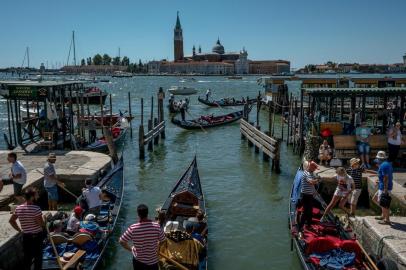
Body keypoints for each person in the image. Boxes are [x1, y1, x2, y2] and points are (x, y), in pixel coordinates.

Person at [119, 204, 166, 270]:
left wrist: (131, 249)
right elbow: (163, 240)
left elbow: (121, 241)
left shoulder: (133, 228)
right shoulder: (157, 226)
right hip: (153, 261)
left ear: (138, 214)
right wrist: (157, 247)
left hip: (138, 262)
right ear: (147, 213)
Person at [9, 188, 44, 270]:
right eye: (36, 195)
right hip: (36, 236)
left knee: (27, 257)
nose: (38, 196)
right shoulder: (36, 209)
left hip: (26, 236)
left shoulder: (18, 208)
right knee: (38, 257)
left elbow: (11, 221)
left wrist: (20, 230)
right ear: (32, 197)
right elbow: (40, 224)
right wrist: (44, 221)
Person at [298, 160, 319, 236]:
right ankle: (300, 228)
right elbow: (311, 182)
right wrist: (318, 180)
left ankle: (309, 225)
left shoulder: (312, 173)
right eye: (315, 168)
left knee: (310, 211)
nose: (315, 169)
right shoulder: (305, 173)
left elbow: (312, 184)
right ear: (311, 167)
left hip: (310, 195)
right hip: (305, 195)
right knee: (305, 212)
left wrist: (314, 191)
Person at [373, 151, 393, 225]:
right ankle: (383, 215)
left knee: (384, 204)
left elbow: (386, 178)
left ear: (379, 159)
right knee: (375, 199)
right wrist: (379, 181)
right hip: (383, 186)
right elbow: (384, 176)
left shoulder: (383, 166)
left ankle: (387, 220)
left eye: (377, 158)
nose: (377, 160)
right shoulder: (387, 164)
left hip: (384, 187)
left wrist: (385, 189)